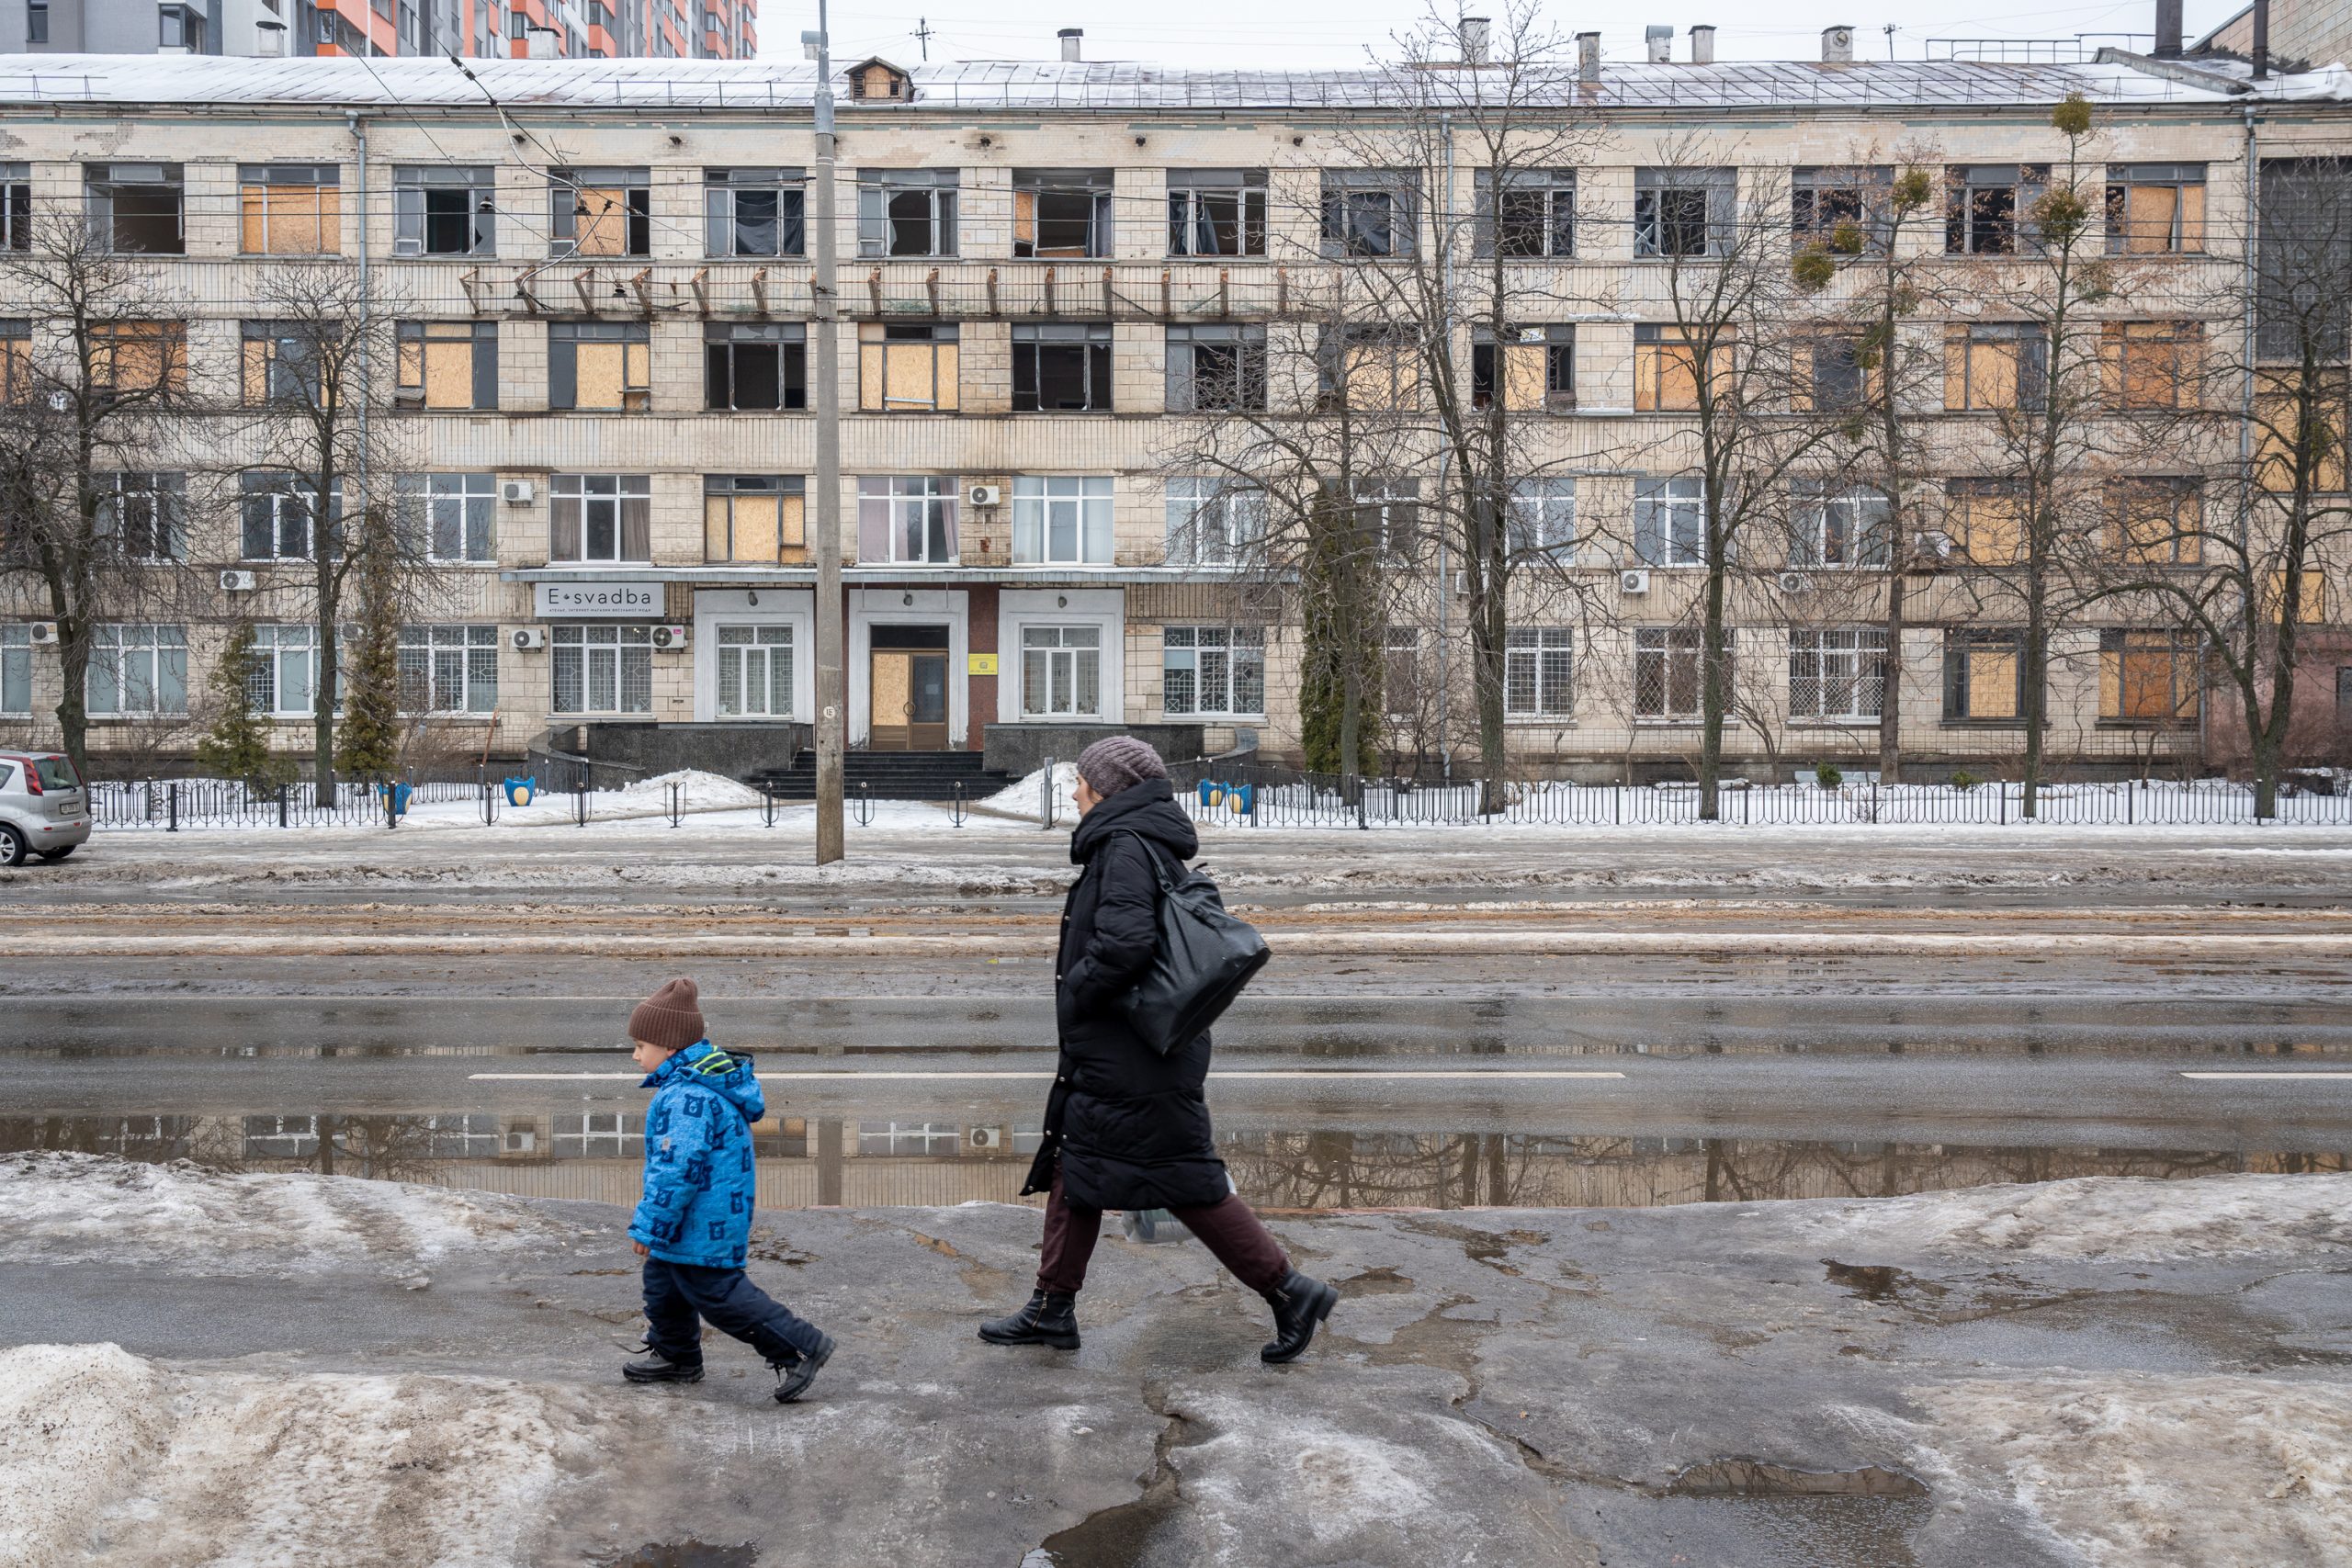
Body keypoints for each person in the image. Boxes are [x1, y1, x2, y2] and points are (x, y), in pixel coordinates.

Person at [979, 737, 1338, 1363]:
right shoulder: (1140, 838)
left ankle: (1289, 1291)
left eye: (1084, 783)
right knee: (1079, 1168)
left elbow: (1126, 942)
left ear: (1108, 789)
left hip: (1132, 1055)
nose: (1075, 792)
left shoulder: (1122, 845)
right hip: (1134, 1050)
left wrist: (1078, 994)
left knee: (1186, 1182)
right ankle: (1052, 1308)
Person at [618, 976, 836, 1403]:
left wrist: (649, 1227)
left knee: (717, 1294)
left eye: (641, 1046)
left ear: (670, 1048)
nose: (635, 1054)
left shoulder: (685, 1097)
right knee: (664, 1284)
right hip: (701, 1213)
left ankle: (800, 1347)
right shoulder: (694, 1085)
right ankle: (677, 1356)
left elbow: (676, 1168)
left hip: (703, 1218)